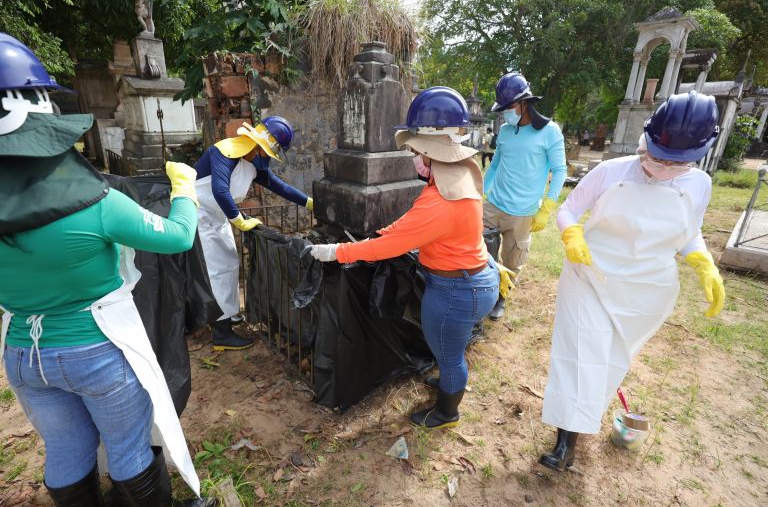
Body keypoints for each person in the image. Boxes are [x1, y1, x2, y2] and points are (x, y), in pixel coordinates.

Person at [0, 28, 211, 507]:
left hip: (23, 354)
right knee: (126, 448)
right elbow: (178, 237)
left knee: (65, 448)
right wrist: (184, 191)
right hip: (96, 351)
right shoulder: (95, 204)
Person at [538, 91, 726, 471]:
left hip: (644, 288)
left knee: (608, 360)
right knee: (579, 356)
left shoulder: (699, 185)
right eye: (657, 155)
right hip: (589, 276)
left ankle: (584, 417)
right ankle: (565, 443)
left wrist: (702, 261)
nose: (661, 166)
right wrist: (572, 235)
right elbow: (570, 210)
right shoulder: (612, 171)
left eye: (675, 162)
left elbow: (689, 232)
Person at [306, 87, 509, 429]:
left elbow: (388, 247)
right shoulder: (461, 170)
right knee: (448, 346)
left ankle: (447, 411)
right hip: (471, 278)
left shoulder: (439, 202)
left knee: (448, 351)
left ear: (432, 152)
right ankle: (448, 381)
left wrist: (337, 251)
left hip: (457, 289)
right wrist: (392, 229)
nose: (414, 157)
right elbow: (413, 226)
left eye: (417, 151)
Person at [194, 117, 313, 351]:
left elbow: (281, 187)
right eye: (268, 151)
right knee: (218, 270)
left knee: (229, 263)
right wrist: (238, 220)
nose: (267, 156)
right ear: (258, 145)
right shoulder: (224, 152)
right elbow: (219, 189)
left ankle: (225, 314)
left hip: (217, 217)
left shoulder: (253, 164)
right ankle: (221, 332)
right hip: (199, 215)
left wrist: (309, 202)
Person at [484, 72, 567, 320]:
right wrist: (480, 192)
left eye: (508, 107)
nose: (505, 113)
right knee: (482, 251)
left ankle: (501, 298)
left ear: (523, 102)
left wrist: (547, 207)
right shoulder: (507, 132)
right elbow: (496, 164)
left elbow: (560, 170)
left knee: (512, 260)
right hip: (493, 205)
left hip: (523, 212)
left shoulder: (550, 132)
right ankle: (484, 290)